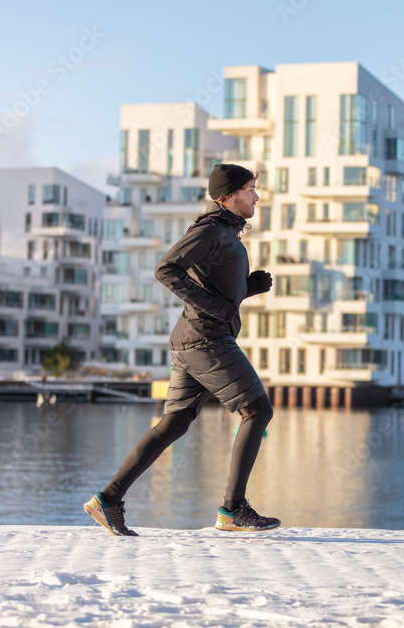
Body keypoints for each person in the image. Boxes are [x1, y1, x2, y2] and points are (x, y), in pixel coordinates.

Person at [84, 164, 278, 535]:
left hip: (195, 340)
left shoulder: (226, 233)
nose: (256, 196)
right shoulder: (209, 229)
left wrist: (245, 289)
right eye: (251, 189)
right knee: (256, 410)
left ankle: (108, 499)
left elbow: (214, 288)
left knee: (174, 423)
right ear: (229, 194)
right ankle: (233, 509)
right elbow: (167, 269)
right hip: (207, 339)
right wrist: (219, 307)